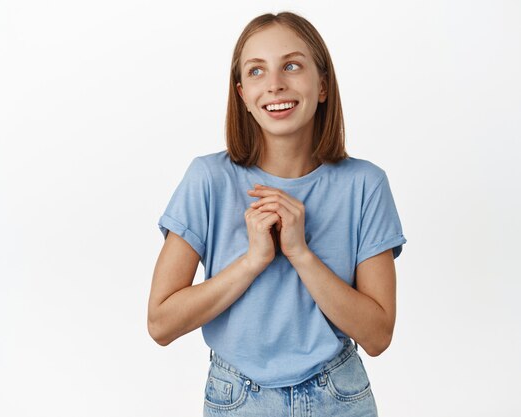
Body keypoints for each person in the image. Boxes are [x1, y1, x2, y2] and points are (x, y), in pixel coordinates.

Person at [148, 11, 406, 417]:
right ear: (242, 95)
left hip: (339, 395)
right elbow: (161, 323)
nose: (274, 85)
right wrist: (253, 261)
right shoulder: (208, 179)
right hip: (236, 397)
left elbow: (377, 336)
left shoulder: (365, 185)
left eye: (291, 65)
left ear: (322, 85)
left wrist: (301, 253)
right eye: (256, 71)